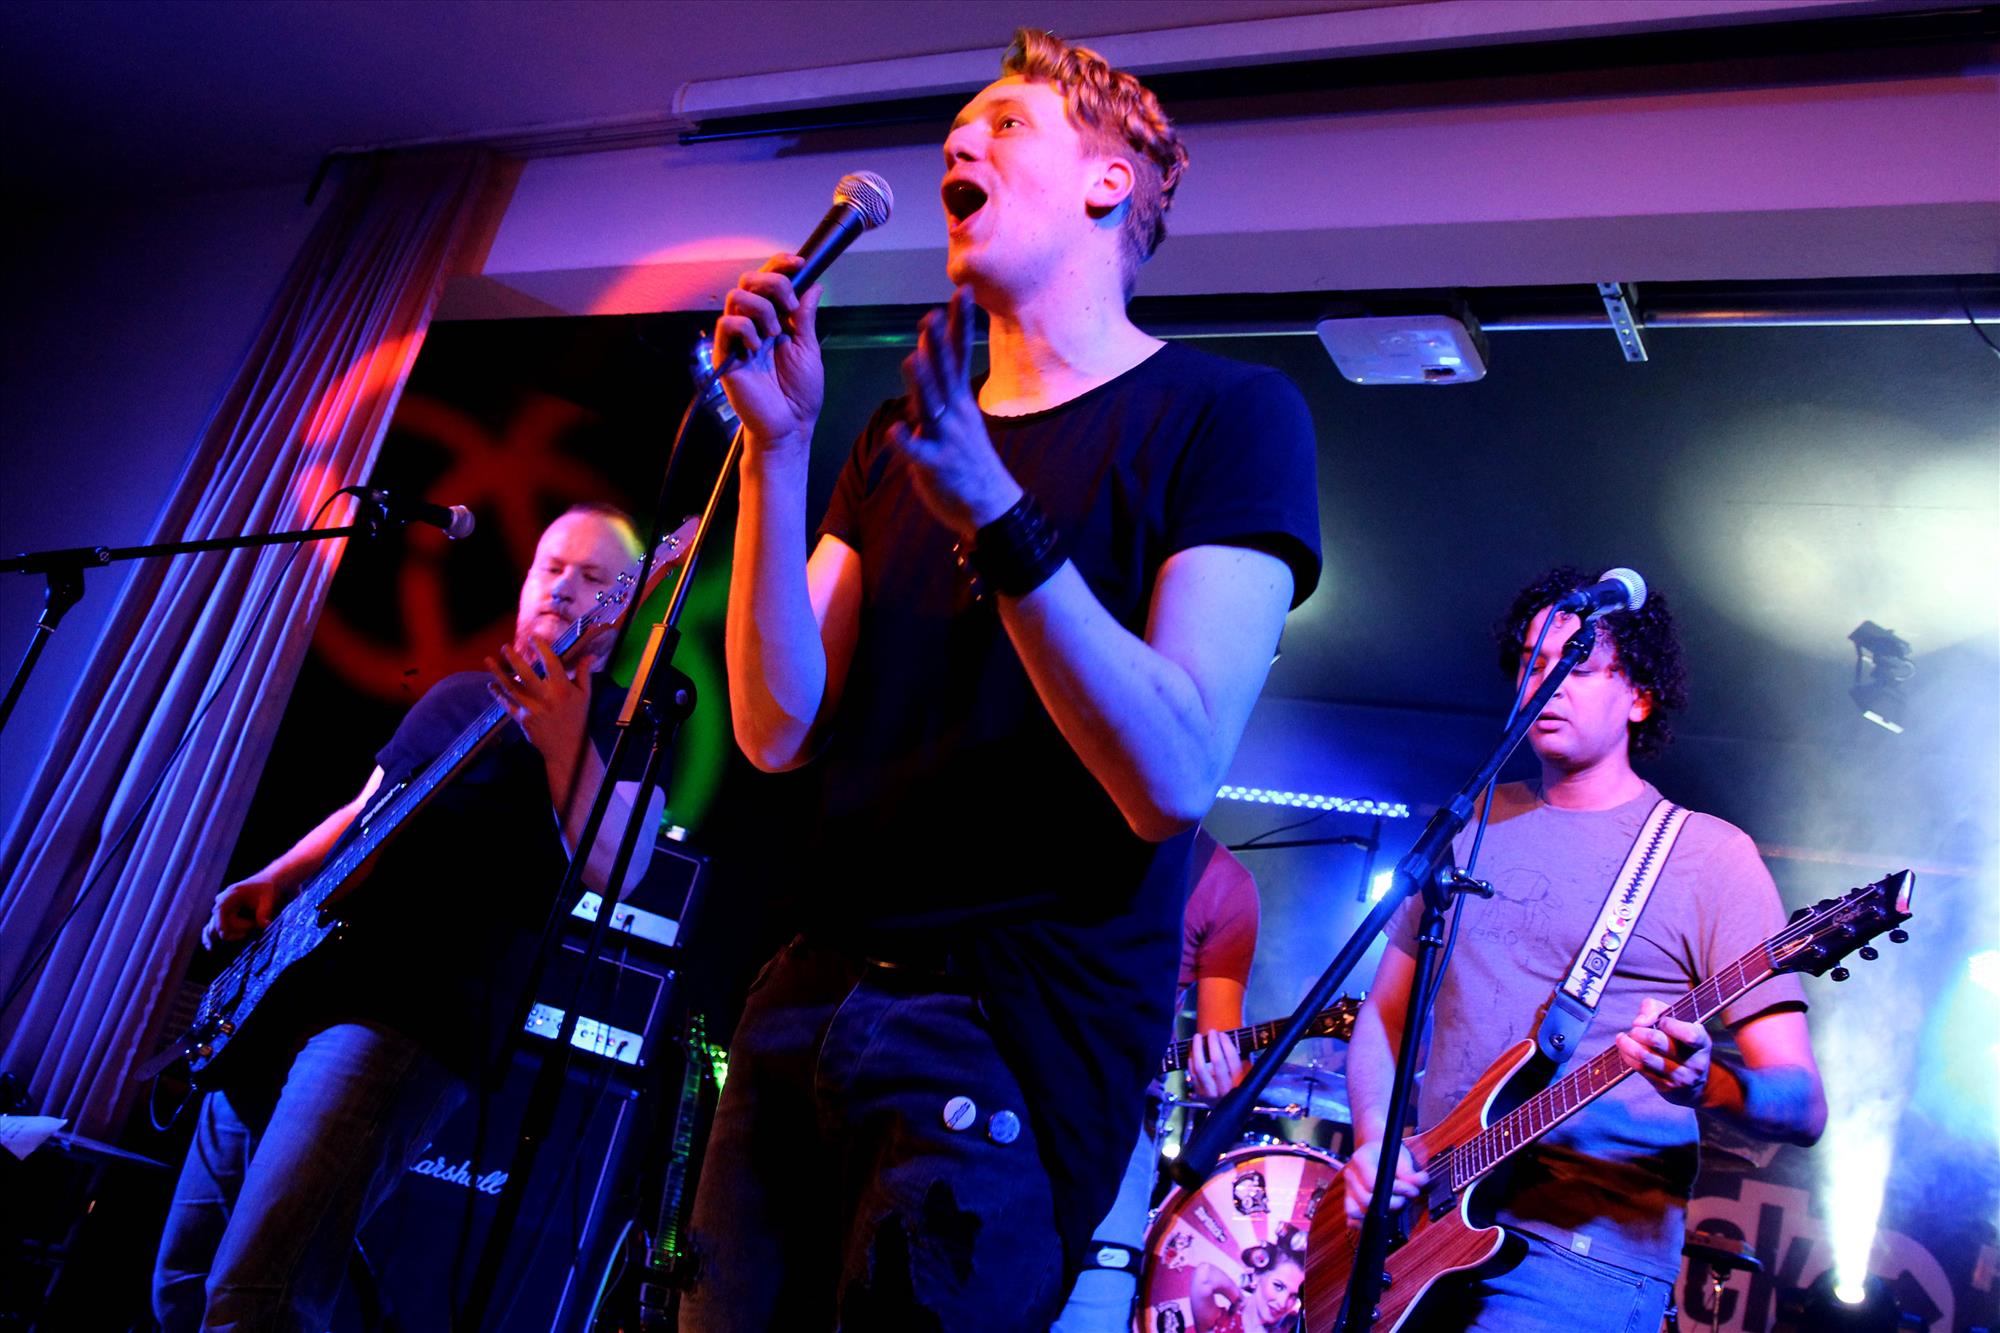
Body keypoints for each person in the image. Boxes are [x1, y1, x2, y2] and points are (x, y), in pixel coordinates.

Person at [682, 27, 1320, 1331]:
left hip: (1008, 1038)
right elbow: (775, 726)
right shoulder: (900, 434)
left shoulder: (1229, 414)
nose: (957, 143)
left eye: (1005, 123)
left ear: (1110, 181)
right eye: (956, 131)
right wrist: (778, 450)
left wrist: (998, 516)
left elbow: (1173, 775)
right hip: (807, 995)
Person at [152, 504, 668, 1331]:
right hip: (294, 980)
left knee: (260, 1291)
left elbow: (621, 868)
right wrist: (276, 876)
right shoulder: (460, 692)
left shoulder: (619, 725)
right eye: (552, 567)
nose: (565, 588)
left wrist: (563, 737)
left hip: (405, 1016)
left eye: (594, 577)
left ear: (628, 601)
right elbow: (367, 811)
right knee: (182, 1280)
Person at [1338, 567, 1827, 1332]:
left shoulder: (1708, 857)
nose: (1549, 682)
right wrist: (1374, 1141)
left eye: (1578, 664)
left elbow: (1802, 1102)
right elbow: (1382, 1019)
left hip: (1583, 1260)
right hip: (1422, 1229)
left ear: (1639, 696)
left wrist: (1708, 1083)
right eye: (1534, 663)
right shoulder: (1470, 827)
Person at [1054, 826, 1261, 1332]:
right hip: (1004, 1083)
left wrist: (1222, 1084)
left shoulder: (1224, 884)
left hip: (1118, 1124)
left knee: (1093, 1314)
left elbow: (1223, 1044)